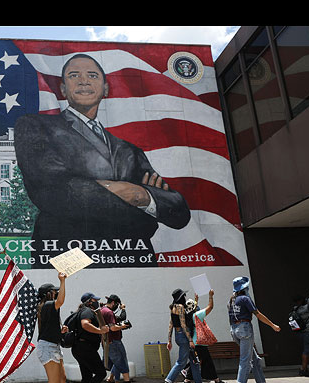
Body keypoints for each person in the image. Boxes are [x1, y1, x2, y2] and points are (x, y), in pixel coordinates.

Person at [14, 53, 190, 268]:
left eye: (92, 75)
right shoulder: (35, 126)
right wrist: (141, 206)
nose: (84, 81)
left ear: (106, 88)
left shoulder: (129, 150)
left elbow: (178, 211)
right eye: (74, 75)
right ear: (62, 89)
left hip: (133, 260)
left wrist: (140, 194)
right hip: (68, 260)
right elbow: (54, 190)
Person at [14, 272, 75, 383]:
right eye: (54, 291)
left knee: (61, 380)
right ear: (48, 294)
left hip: (52, 345)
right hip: (48, 348)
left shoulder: (46, 307)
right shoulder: (48, 304)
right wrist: (62, 281)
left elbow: (48, 328)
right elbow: (61, 300)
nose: (56, 294)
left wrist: (60, 330)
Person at [228, 276, 280, 383]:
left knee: (255, 359)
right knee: (245, 360)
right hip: (245, 328)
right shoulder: (245, 298)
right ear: (244, 287)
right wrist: (272, 325)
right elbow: (258, 314)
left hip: (234, 330)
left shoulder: (231, 300)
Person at [161, 289, 214, 383]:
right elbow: (183, 324)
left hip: (178, 334)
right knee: (181, 361)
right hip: (184, 335)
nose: (185, 297)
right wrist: (190, 339)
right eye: (184, 296)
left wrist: (169, 340)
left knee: (194, 361)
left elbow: (171, 324)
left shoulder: (173, 307)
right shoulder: (180, 307)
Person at [180, 291, 229, 383]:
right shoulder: (197, 315)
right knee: (201, 361)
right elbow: (210, 307)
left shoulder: (188, 316)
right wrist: (210, 296)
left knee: (204, 361)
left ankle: (216, 380)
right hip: (199, 342)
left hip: (196, 342)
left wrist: (196, 299)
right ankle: (187, 379)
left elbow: (193, 308)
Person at [72, 292, 110, 383]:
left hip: (80, 347)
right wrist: (100, 331)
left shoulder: (82, 311)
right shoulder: (87, 311)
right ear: (89, 302)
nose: (96, 302)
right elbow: (85, 324)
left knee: (87, 376)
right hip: (85, 348)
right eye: (94, 300)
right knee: (101, 373)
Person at [101, 294, 138, 383]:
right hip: (114, 341)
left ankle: (113, 381)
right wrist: (123, 326)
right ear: (113, 303)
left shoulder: (102, 310)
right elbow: (113, 328)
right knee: (122, 361)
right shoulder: (109, 313)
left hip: (106, 341)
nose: (117, 306)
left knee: (113, 363)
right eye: (117, 304)